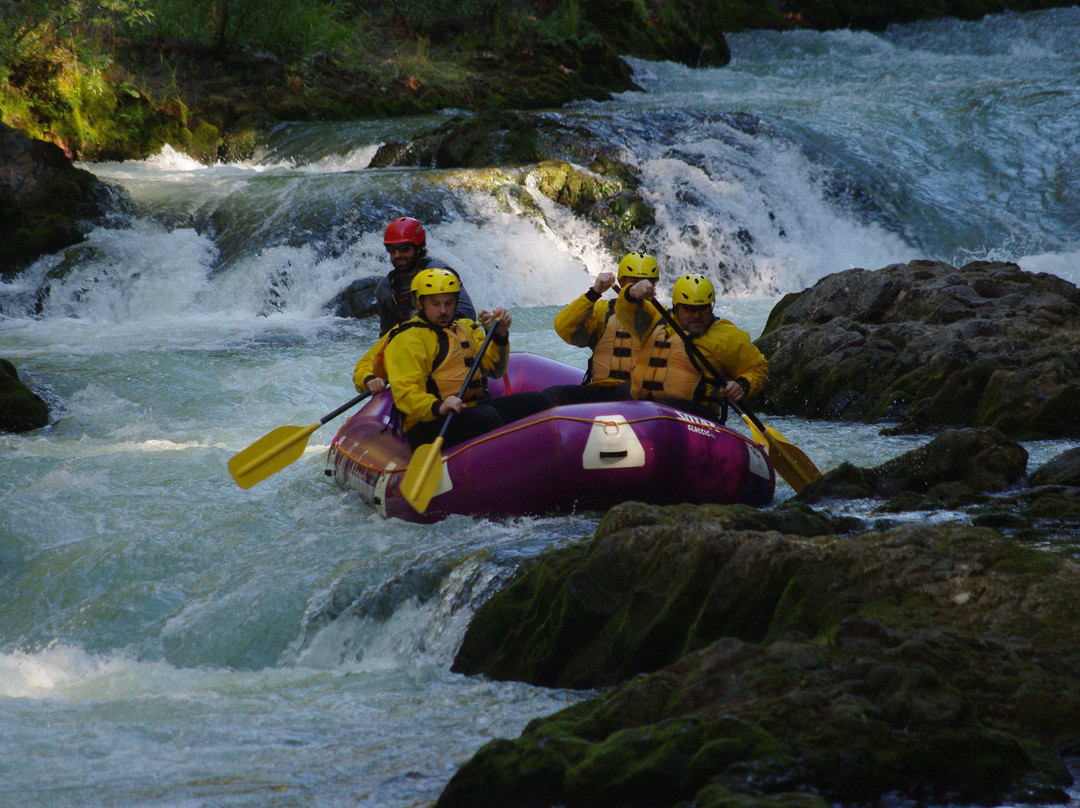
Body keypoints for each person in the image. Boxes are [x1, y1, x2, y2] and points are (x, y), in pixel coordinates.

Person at [381, 268, 550, 450]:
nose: (444, 310)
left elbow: (494, 369)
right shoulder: (407, 339)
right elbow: (406, 394)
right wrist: (439, 406)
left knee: (536, 402)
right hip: (429, 422)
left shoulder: (464, 329)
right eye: (435, 304)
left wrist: (500, 335)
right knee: (486, 416)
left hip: (468, 408)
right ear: (421, 303)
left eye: (449, 303)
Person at [615, 271, 768, 422]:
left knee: (662, 408)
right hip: (647, 411)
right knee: (619, 391)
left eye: (703, 309)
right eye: (689, 309)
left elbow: (757, 368)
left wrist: (743, 384)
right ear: (676, 307)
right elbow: (625, 310)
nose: (696, 315)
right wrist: (631, 291)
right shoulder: (654, 320)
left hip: (696, 417)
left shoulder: (726, 336)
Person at [542, 251, 660, 407]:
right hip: (604, 391)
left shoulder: (663, 316)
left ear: (654, 285)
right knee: (552, 396)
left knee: (630, 388)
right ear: (621, 282)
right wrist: (594, 292)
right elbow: (563, 327)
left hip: (641, 396)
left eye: (646, 282)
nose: (640, 286)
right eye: (634, 281)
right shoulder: (603, 311)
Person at [375, 216, 476, 335]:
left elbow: (468, 315)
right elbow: (386, 335)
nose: (397, 255)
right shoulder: (386, 287)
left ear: (418, 248)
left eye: (404, 248)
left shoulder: (440, 273)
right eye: (391, 250)